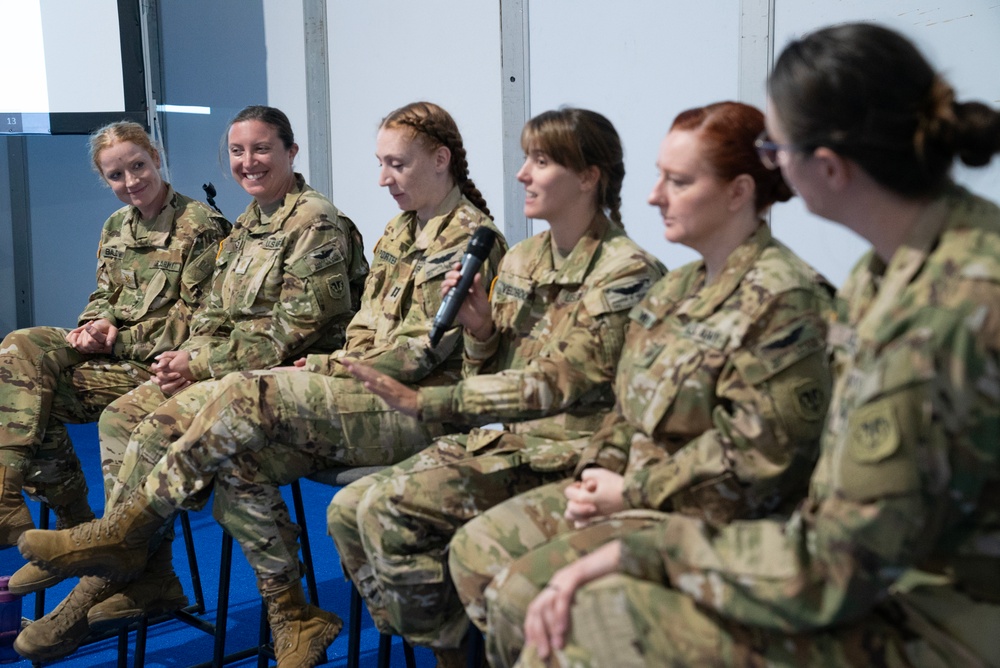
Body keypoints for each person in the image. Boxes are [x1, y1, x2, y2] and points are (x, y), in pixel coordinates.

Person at [505, 23, 1000, 668]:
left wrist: (641, 550)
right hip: (880, 569)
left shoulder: (939, 316)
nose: (769, 163)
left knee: (592, 624)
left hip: (944, 619)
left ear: (826, 167)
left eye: (776, 144)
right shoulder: (895, 268)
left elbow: (831, 568)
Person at [16, 100, 506, 668]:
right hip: (339, 387)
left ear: (440, 159)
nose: (382, 178)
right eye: (381, 164)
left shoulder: (464, 239)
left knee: (232, 399)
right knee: (223, 455)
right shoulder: (398, 230)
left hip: (406, 408)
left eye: (395, 164)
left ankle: (120, 541)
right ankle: (290, 613)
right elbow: (346, 328)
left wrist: (314, 366)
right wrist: (197, 355)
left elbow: (416, 353)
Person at [447, 100, 836, 667]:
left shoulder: (784, 298)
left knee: (521, 595)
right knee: (474, 551)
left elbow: (756, 460)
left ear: (738, 192)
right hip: (639, 491)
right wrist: (597, 471)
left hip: (714, 521)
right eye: (659, 177)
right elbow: (625, 404)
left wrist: (632, 493)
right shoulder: (676, 289)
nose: (654, 196)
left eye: (677, 181)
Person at [328, 107, 667, 667]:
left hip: (569, 455)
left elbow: (555, 385)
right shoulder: (524, 260)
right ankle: (448, 641)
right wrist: (482, 332)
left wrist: (428, 401)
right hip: (509, 443)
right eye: (525, 160)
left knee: (390, 509)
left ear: (589, 177)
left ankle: (461, 650)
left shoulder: (625, 272)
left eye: (541, 161)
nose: (522, 175)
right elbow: (488, 373)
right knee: (345, 511)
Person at [0, 121, 228, 548]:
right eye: (116, 175)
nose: (131, 181)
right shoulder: (116, 225)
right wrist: (95, 323)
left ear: (156, 159)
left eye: (139, 166)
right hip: (112, 356)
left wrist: (115, 340)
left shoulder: (199, 225)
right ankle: (47, 511)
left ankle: (94, 537)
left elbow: (198, 323)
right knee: (19, 353)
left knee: (32, 395)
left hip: (162, 368)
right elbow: (104, 293)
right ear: (105, 180)